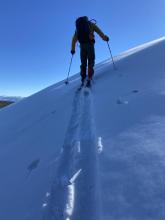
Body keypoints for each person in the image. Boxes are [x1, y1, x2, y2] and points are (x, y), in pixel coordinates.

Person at [71, 16, 109, 87]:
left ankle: (83, 77)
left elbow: (74, 40)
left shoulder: (78, 29)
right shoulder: (91, 24)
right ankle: (90, 76)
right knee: (91, 60)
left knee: (83, 62)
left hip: (82, 46)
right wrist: (105, 38)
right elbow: (99, 31)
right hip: (90, 44)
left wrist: (73, 49)